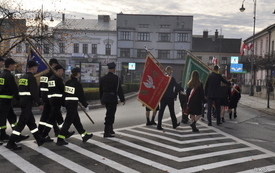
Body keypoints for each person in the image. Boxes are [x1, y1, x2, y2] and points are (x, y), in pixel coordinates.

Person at [6, 60, 44, 150]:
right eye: (36, 67)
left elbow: (20, 90)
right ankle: (11, 142)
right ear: (33, 68)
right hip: (27, 102)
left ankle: (39, 139)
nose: (37, 68)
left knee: (31, 122)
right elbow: (34, 92)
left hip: (23, 101)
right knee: (21, 123)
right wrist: (39, 103)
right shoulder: (31, 78)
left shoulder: (23, 77)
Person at [56, 67, 93, 145]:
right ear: (77, 74)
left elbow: (64, 94)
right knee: (68, 122)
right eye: (79, 73)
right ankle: (60, 138)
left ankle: (84, 135)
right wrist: (85, 105)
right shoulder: (77, 84)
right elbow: (81, 95)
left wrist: (63, 104)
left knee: (76, 121)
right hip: (73, 103)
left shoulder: (68, 82)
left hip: (68, 103)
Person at [0, 58, 29, 142]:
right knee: (2, 119)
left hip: (4, 101)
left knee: (12, 118)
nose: (14, 66)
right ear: (10, 65)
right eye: (13, 65)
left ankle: (16, 134)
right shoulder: (9, 75)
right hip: (5, 100)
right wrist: (19, 98)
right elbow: (14, 88)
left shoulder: (2, 75)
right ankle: (3, 135)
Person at [41, 64, 71, 140]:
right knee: (51, 119)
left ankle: (64, 132)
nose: (62, 73)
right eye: (61, 71)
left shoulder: (51, 79)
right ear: (57, 71)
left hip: (51, 100)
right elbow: (63, 89)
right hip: (57, 100)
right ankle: (43, 135)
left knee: (57, 118)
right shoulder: (58, 79)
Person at [99, 62, 125, 138]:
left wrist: (101, 99)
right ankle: (107, 131)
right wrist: (122, 99)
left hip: (105, 97)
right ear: (114, 69)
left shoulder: (103, 78)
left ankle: (110, 129)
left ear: (108, 69)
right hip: (112, 98)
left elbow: (100, 90)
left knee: (109, 113)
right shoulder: (116, 78)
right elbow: (119, 89)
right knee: (110, 114)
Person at [38, 58, 60, 138]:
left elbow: (40, 87)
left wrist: (40, 99)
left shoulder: (44, 75)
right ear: (53, 65)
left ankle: (56, 131)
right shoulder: (52, 75)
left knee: (50, 116)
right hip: (50, 99)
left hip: (45, 98)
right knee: (48, 116)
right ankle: (41, 133)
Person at [157, 66, 182, 130]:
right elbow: (176, 86)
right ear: (169, 71)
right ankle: (174, 124)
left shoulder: (163, 78)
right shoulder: (171, 78)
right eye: (171, 71)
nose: (171, 72)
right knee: (172, 111)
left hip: (163, 97)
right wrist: (182, 89)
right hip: (170, 97)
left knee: (161, 111)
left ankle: (159, 125)